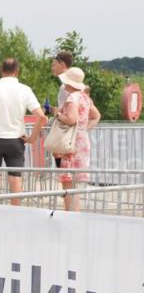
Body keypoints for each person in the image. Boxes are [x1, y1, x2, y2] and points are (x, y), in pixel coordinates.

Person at [0, 58, 48, 203]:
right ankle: (15, 214)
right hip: (15, 140)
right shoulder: (25, 90)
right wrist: (32, 138)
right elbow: (41, 116)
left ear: (1, 71)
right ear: (17, 71)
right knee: (15, 179)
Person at [54, 67, 100, 212]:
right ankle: (76, 215)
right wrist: (84, 129)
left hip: (71, 143)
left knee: (68, 182)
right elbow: (96, 116)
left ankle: (69, 216)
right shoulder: (85, 98)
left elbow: (72, 119)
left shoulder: (72, 98)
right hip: (82, 142)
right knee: (76, 184)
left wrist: (57, 115)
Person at [49, 51, 74, 117]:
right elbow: (96, 115)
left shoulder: (66, 87)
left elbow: (63, 113)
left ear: (62, 65)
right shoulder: (75, 84)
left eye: (54, 65)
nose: (52, 68)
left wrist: (50, 110)